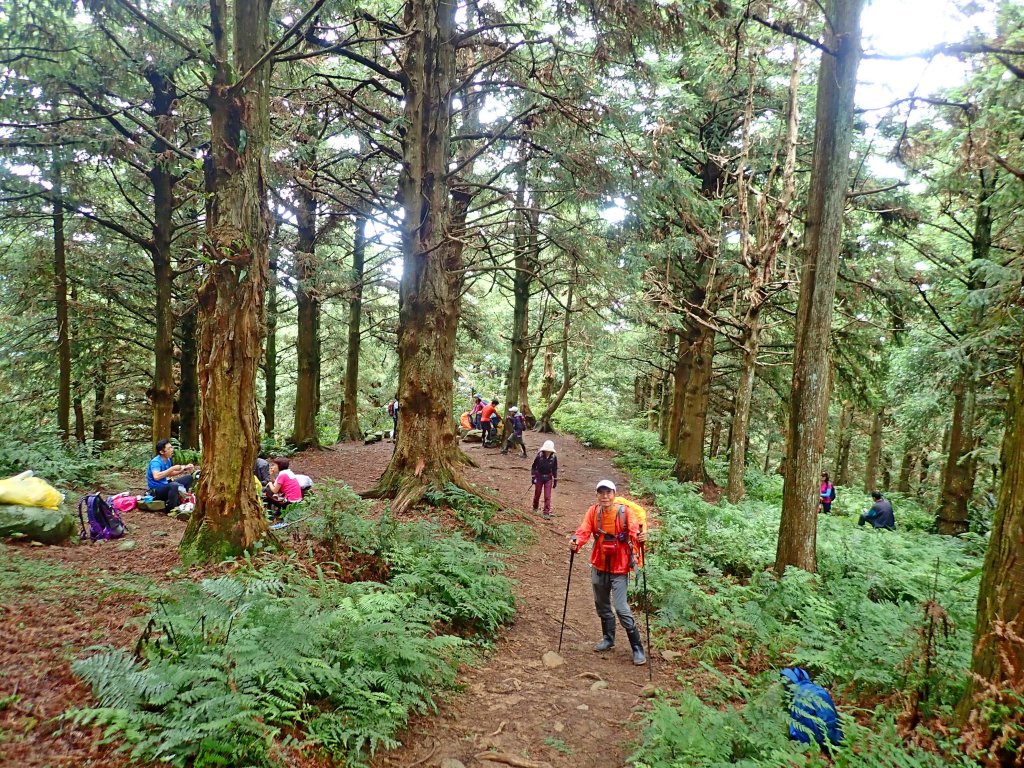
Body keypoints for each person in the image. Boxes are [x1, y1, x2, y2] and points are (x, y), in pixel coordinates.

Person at [570, 479, 648, 665]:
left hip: (619, 566)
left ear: (614, 494)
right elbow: (584, 530)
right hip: (599, 563)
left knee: (621, 607)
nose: (605, 496)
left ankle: (637, 647)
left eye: (608, 493)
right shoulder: (593, 511)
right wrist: (575, 542)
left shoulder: (625, 512)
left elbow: (634, 531)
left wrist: (640, 537)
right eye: (601, 493)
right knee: (601, 603)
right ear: (597, 495)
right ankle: (608, 638)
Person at [147, 439, 195, 511]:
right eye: (169, 448)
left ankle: (182, 500)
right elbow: (156, 476)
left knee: (188, 478)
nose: (172, 450)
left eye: (171, 447)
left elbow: (169, 474)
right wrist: (172, 468)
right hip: (156, 491)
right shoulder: (156, 462)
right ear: (162, 452)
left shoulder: (167, 459)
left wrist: (184, 469)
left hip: (166, 485)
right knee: (174, 485)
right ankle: (171, 508)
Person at [531, 439, 558, 518]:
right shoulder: (539, 456)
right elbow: (533, 467)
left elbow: (555, 469)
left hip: (548, 478)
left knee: (547, 496)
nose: (548, 451)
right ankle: (535, 507)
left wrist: (555, 480)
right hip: (539, 477)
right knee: (537, 494)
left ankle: (546, 512)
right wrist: (533, 477)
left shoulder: (553, 457)